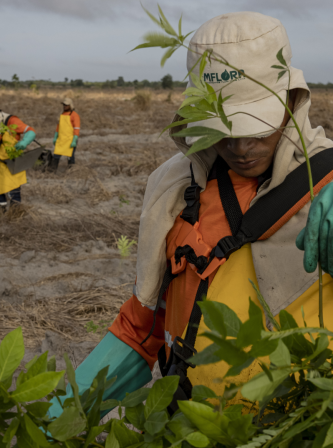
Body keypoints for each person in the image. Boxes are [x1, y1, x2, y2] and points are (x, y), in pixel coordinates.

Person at [49, 11, 333, 418]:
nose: (239, 147)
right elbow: (142, 326)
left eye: (256, 128)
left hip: (297, 429)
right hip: (189, 425)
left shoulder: (327, 184)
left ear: (291, 100)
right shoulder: (177, 189)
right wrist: (60, 418)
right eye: (224, 129)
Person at [49, 98, 80, 173]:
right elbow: (58, 127)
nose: (64, 106)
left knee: (70, 157)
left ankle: (71, 172)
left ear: (70, 105)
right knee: (56, 157)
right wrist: (55, 137)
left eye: (66, 105)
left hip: (70, 140)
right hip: (61, 140)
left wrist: (74, 140)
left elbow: (76, 128)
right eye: (63, 104)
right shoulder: (62, 114)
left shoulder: (75, 115)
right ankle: (52, 172)